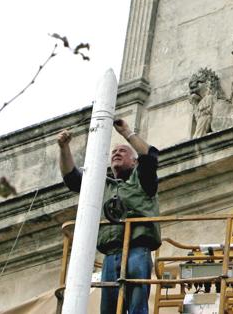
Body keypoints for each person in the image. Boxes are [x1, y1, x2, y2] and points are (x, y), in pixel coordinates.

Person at [57, 117, 160, 314]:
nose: (116, 154)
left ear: (134, 160)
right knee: (109, 308)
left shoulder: (142, 179)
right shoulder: (102, 185)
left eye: (122, 151)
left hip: (137, 247)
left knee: (137, 301)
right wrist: (64, 148)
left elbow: (150, 157)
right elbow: (72, 177)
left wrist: (126, 133)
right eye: (113, 152)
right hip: (111, 252)